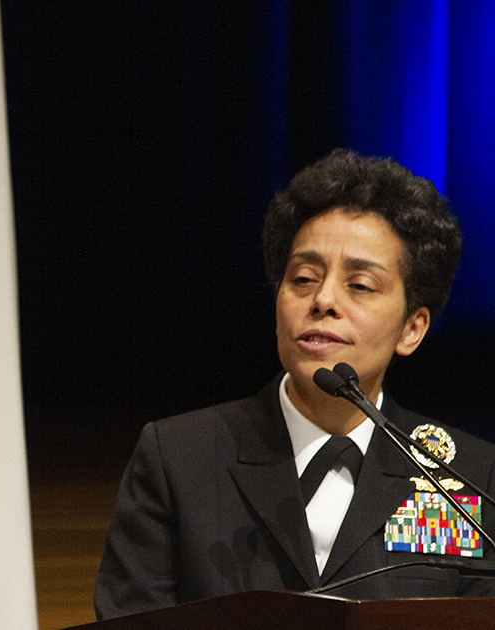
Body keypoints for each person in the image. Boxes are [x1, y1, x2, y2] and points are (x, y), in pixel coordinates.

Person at [94, 149, 495, 619]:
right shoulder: (179, 457)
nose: (323, 299)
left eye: (360, 285)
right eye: (303, 278)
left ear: (412, 328)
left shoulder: (464, 476)